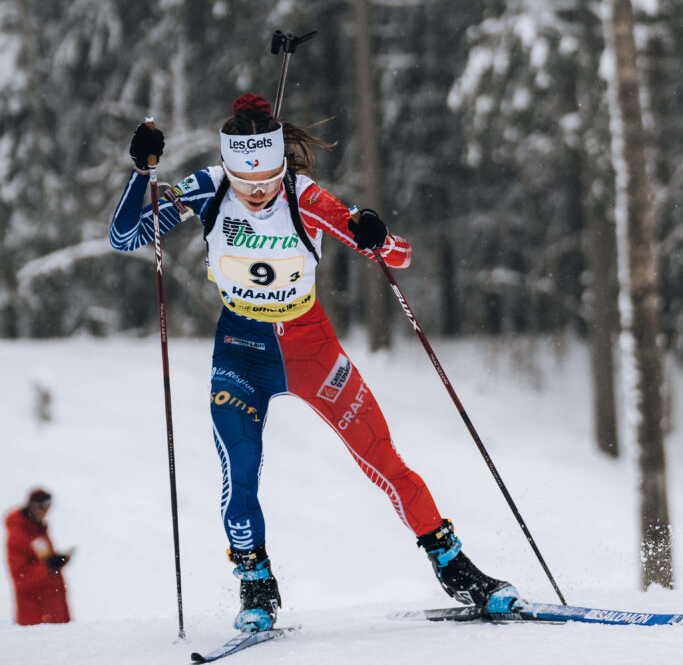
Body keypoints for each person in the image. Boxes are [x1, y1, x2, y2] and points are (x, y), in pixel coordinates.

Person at [110, 93, 520, 631]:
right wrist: (141, 173)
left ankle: (458, 569)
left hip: (312, 349)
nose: (257, 195)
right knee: (240, 469)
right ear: (229, 169)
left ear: (283, 166)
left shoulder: (304, 198)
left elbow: (397, 256)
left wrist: (375, 233)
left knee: (383, 459)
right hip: (241, 351)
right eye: (246, 183)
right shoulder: (209, 189)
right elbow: (126, 237)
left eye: (268, 180)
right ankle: (256, 587)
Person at [5, 489, 72, 625]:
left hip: (52, 609)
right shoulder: (19, 533)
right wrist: (48, 566)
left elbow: (44, 559)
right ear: (33, 507)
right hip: (36, 615)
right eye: (43, 507)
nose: (46, 512)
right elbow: (20, 576)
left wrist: (56, 561)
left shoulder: (38, 529)